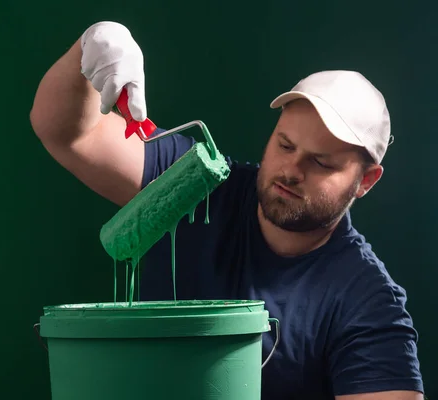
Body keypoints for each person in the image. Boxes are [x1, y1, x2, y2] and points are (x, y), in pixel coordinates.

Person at [30, 20, 424, 400]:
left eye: (321, 163)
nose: (292, 170)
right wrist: (91, 46)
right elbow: (67, 132)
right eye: (285, 145)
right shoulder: (196, 186)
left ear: (367, 181)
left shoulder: (367, 302)